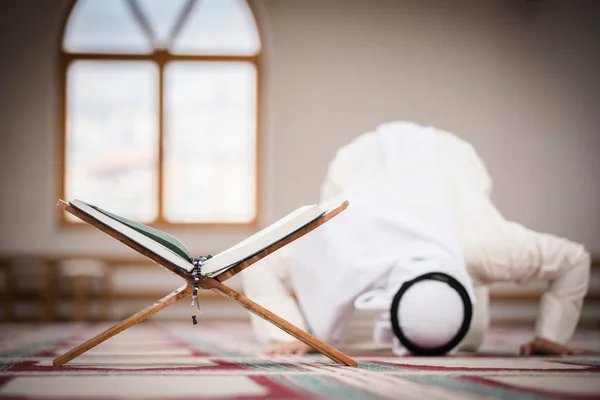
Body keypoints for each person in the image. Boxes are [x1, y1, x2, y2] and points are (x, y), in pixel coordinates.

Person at [242, 121, 590, 356]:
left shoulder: (487, 245)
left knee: (470, 339)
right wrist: (289, 336)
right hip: (359, 162)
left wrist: (551, 336)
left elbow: (573, 259)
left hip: (457, 170)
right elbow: (257, 260)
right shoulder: (345, 236)